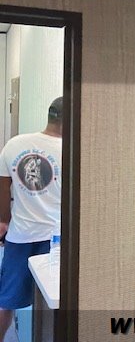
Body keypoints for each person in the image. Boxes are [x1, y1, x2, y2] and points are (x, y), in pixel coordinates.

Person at [0, 97, 63, 341]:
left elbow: (3, 187)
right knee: (52, 302)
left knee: (6, 301)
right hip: (56, 239)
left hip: (20, 235)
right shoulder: (71, 149)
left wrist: (4, 222)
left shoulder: (15, 144)